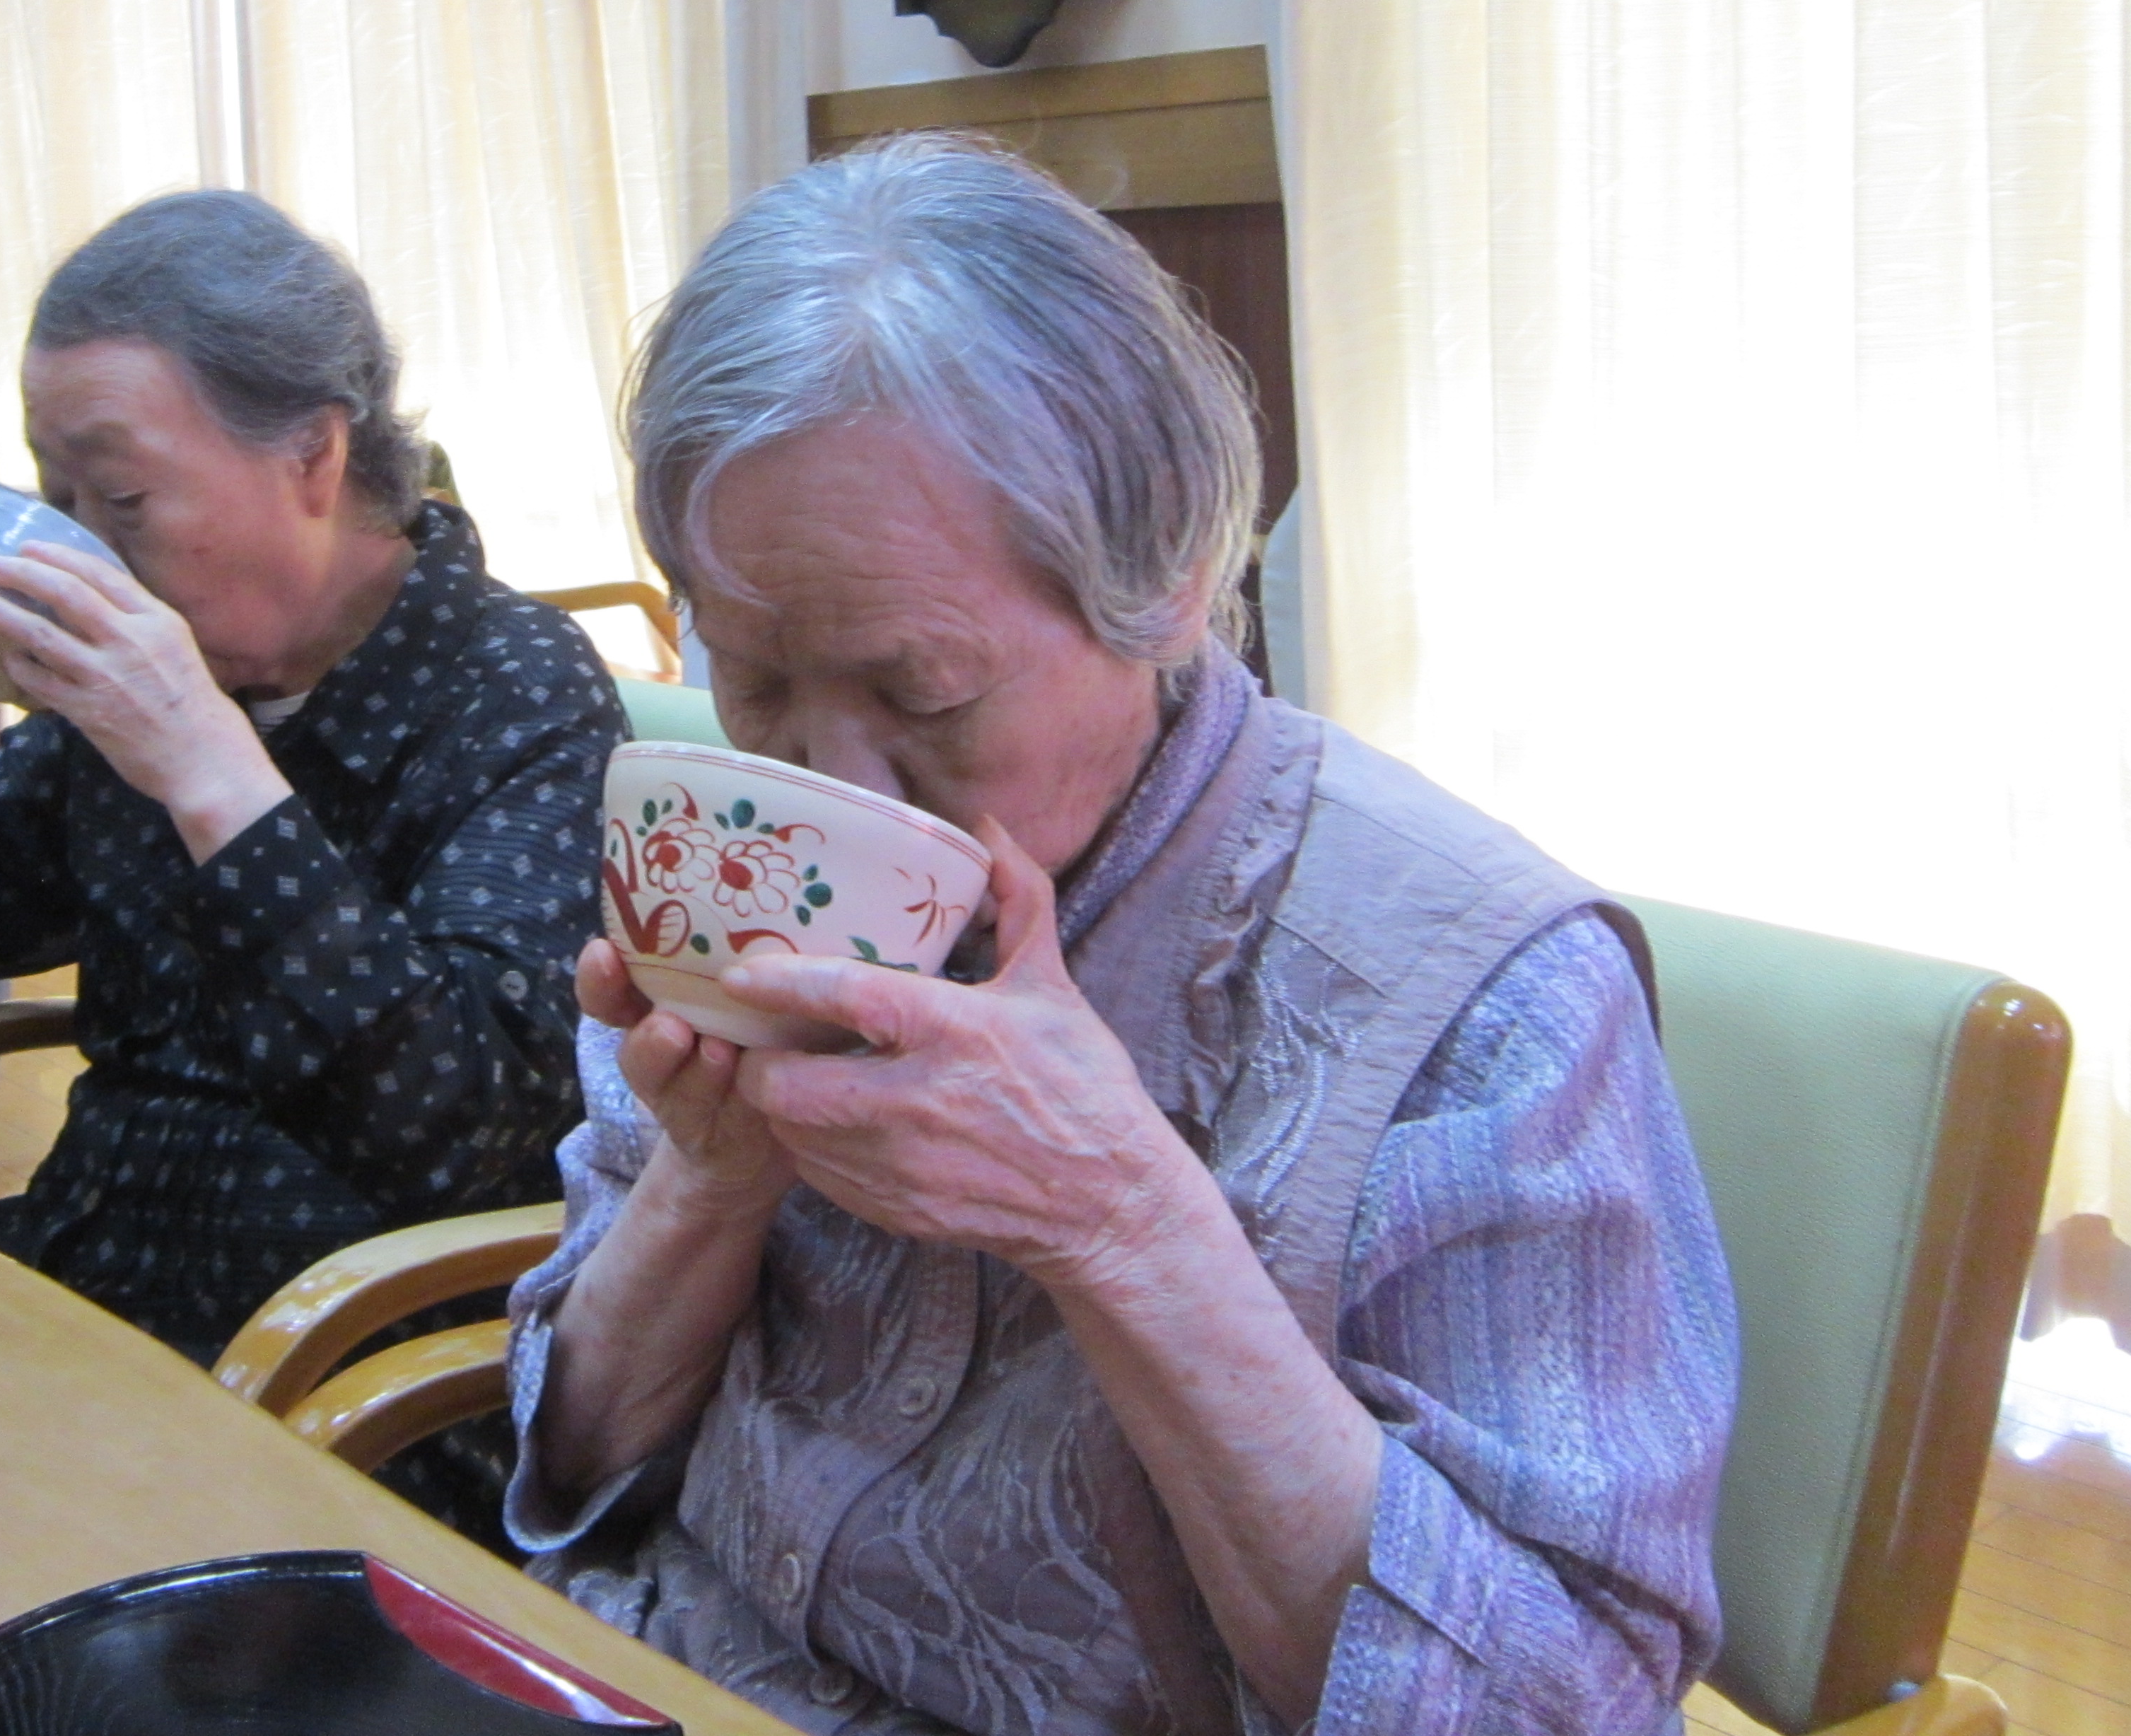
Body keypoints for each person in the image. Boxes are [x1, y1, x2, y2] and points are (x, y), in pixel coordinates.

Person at [507, 137, 1736, 1736]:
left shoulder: (1485, 1009)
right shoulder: (726, 851)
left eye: (921, 692)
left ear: (1166, 584)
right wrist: (710, 1180)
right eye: (752, 676)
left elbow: (1558, 1708)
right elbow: (577, 1464)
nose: (829, 785)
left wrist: (1122, 1222)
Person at [0, 191, 623, 1370]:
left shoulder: (515, 685)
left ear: (313, 454)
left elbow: (458, 1125)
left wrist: (209, 770)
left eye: (122, 498)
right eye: (58, 499)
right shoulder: (152, 674)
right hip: (86, 1294)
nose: (84, 542)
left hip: (348, 1359)